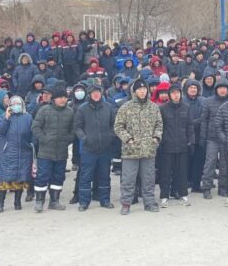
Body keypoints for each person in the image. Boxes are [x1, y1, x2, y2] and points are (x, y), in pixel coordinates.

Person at [114, 78, 163, 215]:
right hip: (131, 150)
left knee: (148, 178)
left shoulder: (153, 107)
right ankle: (126, 203)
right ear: (134, 91)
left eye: (144, 89)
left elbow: (159, 124)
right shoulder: (126, 107)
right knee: (128, 179)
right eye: (139, 89)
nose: (142, 91)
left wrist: (155, 138)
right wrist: (128, 139)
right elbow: (118, 126)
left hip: (148, 149)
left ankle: (149, 202)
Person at [31, 84, 75, 212]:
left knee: (58, 177)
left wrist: (68, 139)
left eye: (65, 97)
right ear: (54, 99)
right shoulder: (44, 110)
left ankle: (54, 201)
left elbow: (73, 130)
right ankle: (39, 202)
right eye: (60, 97)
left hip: (61, 152)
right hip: (45, 152)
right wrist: (43, 139)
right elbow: (35, 127)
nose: (63, 99)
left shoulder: (70, 112)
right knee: (42, 176)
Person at [73, 83, 115, 211]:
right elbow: (77, 127)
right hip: (88, 149)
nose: (96, 94)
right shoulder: (82, 109)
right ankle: (84, 202)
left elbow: (114, 125)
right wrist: (84, 138)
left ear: (101, 93)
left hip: (105, 148)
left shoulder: (108, 107)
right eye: (93, 93)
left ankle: (105, 200)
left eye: (98, 92)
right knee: (86, 176)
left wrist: (110, 137)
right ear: (89, 94)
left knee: (104, 176)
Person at [0, 96, 33, 213]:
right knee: (4, 179)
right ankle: (0, 203)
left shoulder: (28, 117)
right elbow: (0, 131)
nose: (16, 105)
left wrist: (30, 144)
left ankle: (17, 201)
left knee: (20, 177)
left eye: (18, 103)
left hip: (23, 151)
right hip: (8, 152)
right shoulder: (4, 116)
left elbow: (32, 133)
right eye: (13, 103)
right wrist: (6, 117)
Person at [159, 84, 194, 207]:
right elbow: (160, 127)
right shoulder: (163, 108)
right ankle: (164, 196)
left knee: (182, 172)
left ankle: (183, 194)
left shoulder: (186, 107)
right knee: (166, 173)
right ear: (169, 95)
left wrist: (191, 141)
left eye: (178, 92)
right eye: (173, 93)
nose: (176, 95)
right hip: (167, 146)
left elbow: (190, 126)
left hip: (182, 145)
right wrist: (161, 142)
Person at [200, 79, 228, 199]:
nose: (222, 90)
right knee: (210, 162)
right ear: (216, 89)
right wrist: (203, 137)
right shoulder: (208, 101)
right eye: (220, 87)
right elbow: (204, 120)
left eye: (224, 88)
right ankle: (206, 187)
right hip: (212, 137)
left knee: (225, 164)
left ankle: (223, 187)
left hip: (226, 138)